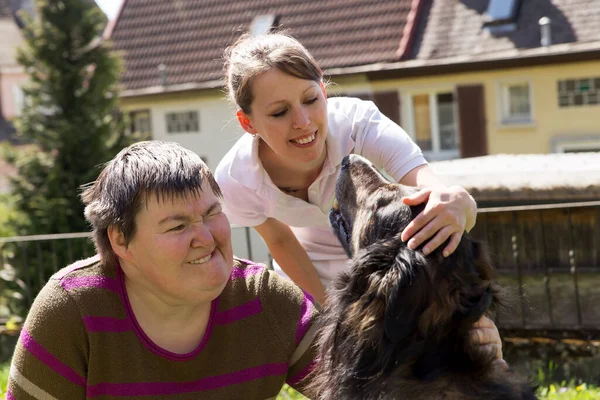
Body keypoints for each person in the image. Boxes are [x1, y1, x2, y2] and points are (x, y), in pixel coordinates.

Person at [7, 141, 319, 399]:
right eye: (178, 226)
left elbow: (360, 384)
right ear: (121, 240)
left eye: (213, 214)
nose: (207, 239)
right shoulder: (70, 312)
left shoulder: (264, 299)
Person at [216, 32, 478, 305]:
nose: (303, 122)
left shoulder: (359, 124)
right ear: (248, 123)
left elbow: (429, 189)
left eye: (310, 99)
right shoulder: (235, 180)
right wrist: (329, 313)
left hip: (389, 267)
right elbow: (281, 242)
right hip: (309, 277)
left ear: (324, 91)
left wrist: (458, 204)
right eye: (280, 112)